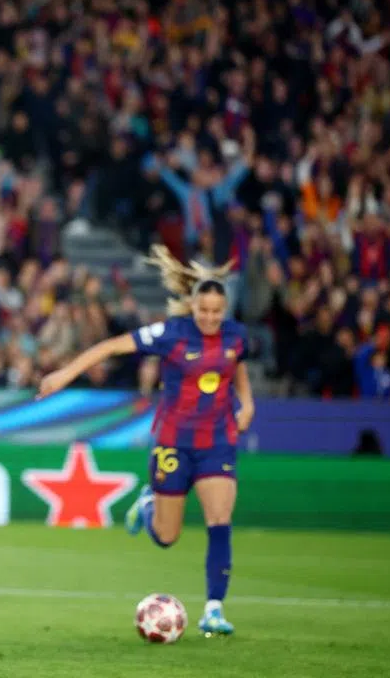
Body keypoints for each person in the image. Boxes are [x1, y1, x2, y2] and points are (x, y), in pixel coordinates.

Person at [40, 245, 254, 636]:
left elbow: (236, 368)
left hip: (217, 441)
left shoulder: (237, 337)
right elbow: (109, 346)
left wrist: (248, 402)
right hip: (173, 443)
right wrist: (63, 375)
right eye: (203, 310)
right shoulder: (169, 334)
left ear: (225, 310)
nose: (209, 318)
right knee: (167, 537)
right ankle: (150, 502)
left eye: (216, 312)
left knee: (219, 520)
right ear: (191, 305)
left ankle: (214, 609)